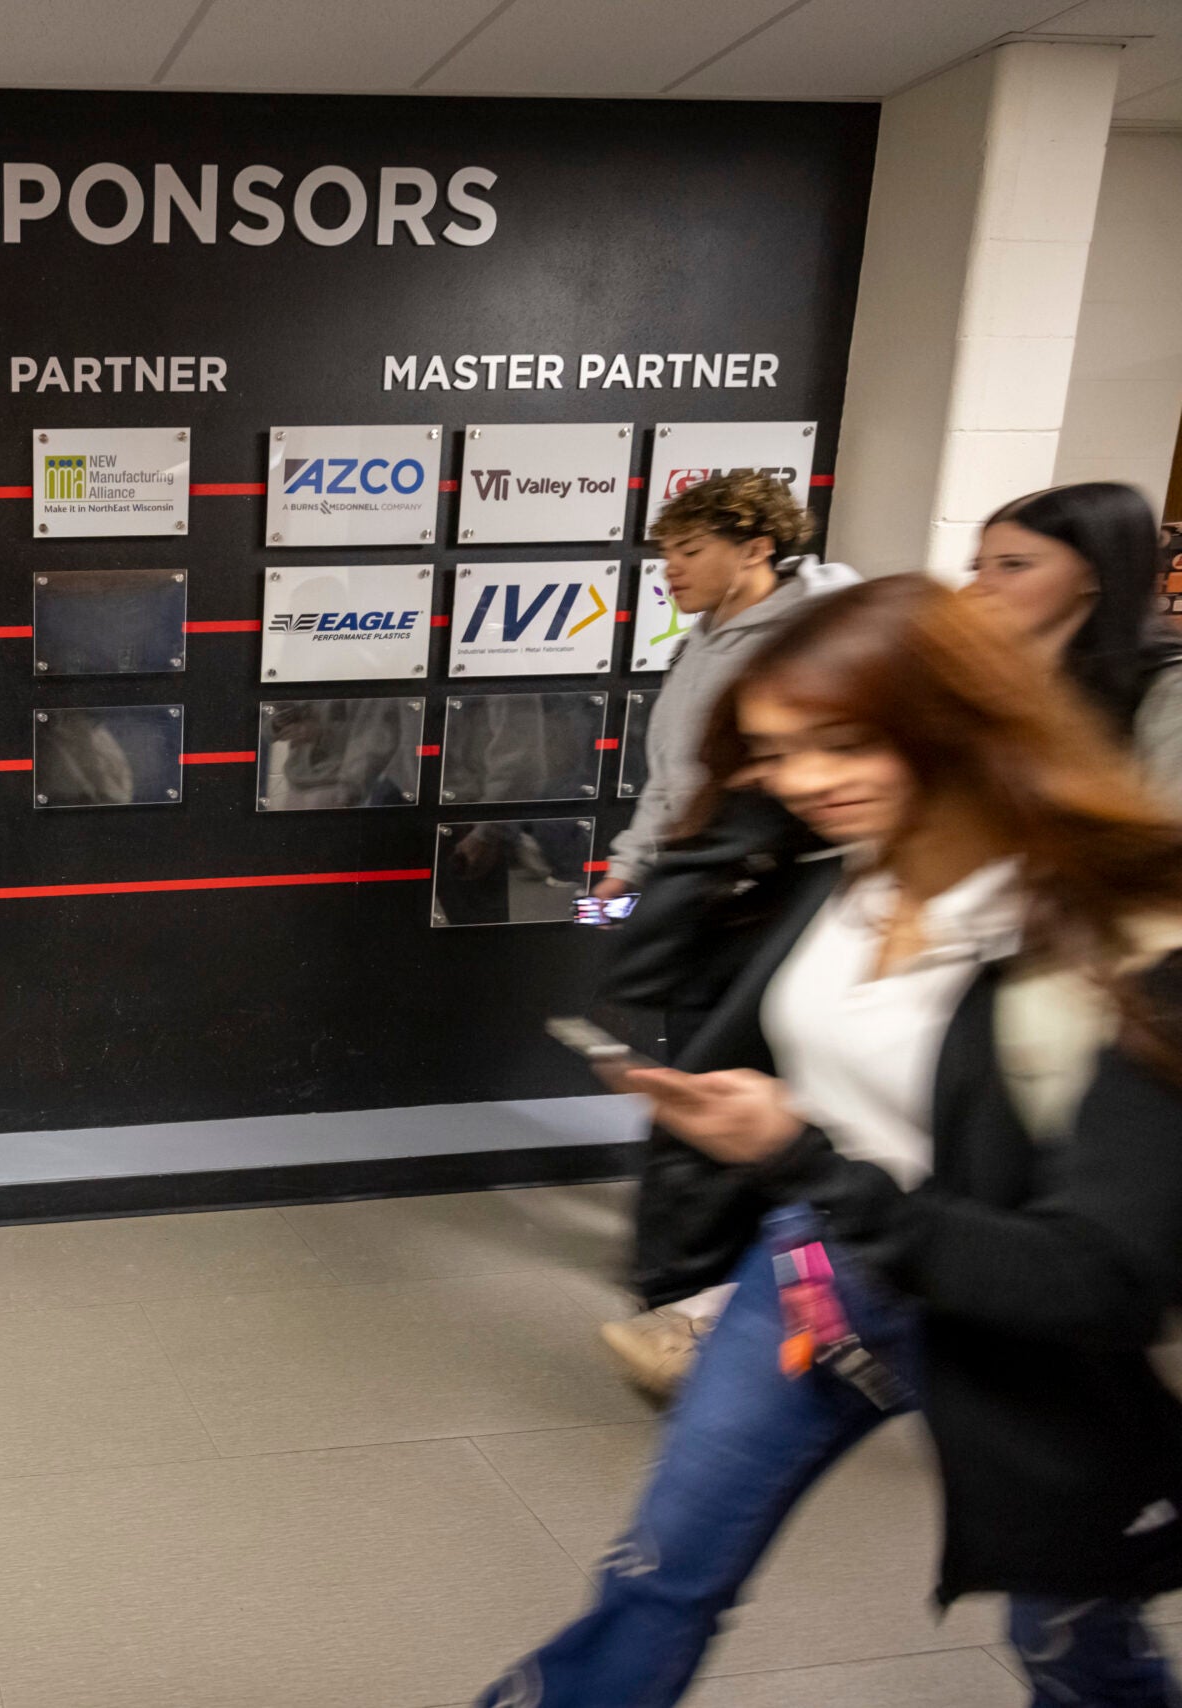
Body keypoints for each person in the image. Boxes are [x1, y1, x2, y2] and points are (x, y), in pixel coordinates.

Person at [480, 575, 1182, 1708]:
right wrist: (732, 819)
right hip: (822, 1269)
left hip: (1019, 1322)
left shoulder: (1122, 937)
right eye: (778, 751)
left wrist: (800, 1156)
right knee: (660, 1572)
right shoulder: (846, 866)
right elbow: (650, 957)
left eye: (844, 743)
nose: (806, 781)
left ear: (961, 721)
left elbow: (1100, 1278)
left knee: (1069, 1632)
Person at [596, 470, 856, 1397]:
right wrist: (625, 875)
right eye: (663, 550)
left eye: (689, 548)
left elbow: (751, 819)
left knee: (733, 1116)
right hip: (683, 893)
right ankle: (711, 1306)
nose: (668, 567)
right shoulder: (700, 642)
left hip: (762, 917)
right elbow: (674, 784)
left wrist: (651, 922)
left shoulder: (817, 639)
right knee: (695, 1089)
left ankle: (749, 1315)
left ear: (757, 548)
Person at [967, 481, 1182, 797]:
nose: (980, 586)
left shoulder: (1167, 688)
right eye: (977, 568)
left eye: (1014, 565)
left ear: (1094, 572)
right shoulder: (990, 676)